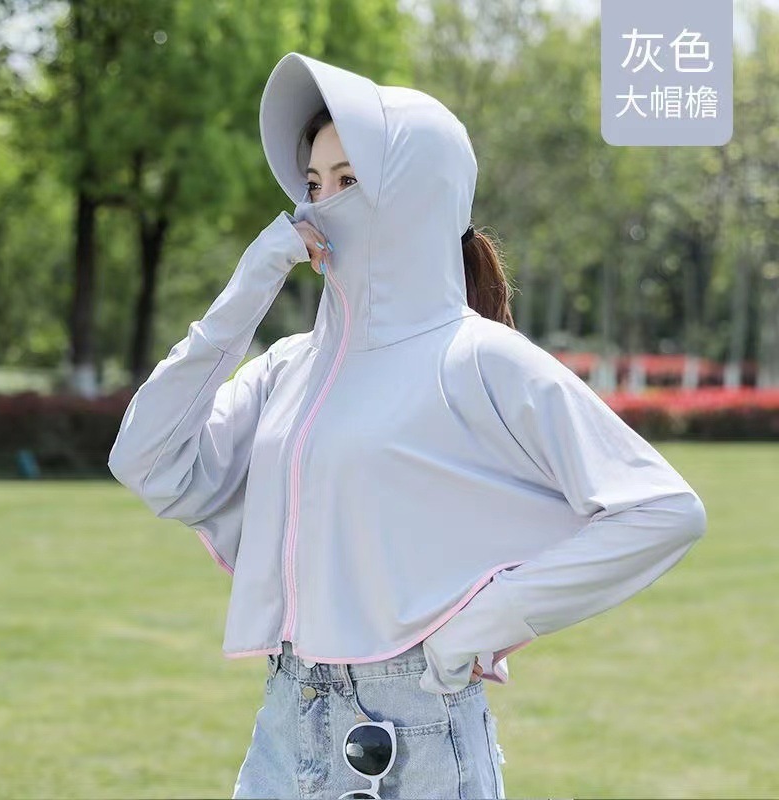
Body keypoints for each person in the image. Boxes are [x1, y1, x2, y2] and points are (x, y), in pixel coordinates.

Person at [107, 52, 707, 799]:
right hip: (286, 724)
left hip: (416, 736)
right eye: (312, 184)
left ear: (416, 192)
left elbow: (663, 510)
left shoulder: (478, 358)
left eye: (348, 181)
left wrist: (480, 625)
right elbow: (144, 459)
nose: (319, 207)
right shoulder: (287, 367)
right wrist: (250, 285)